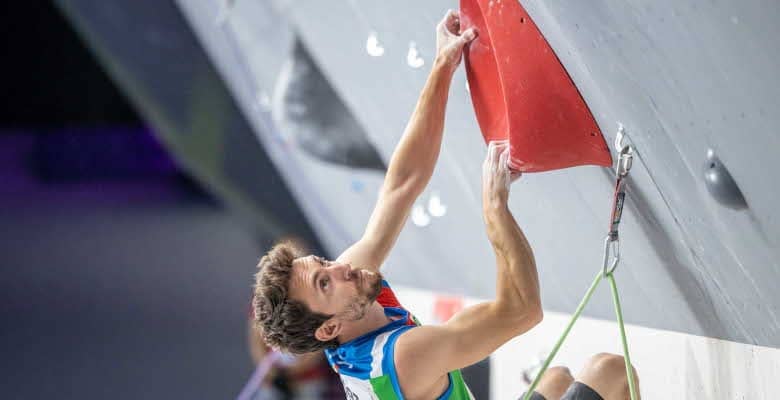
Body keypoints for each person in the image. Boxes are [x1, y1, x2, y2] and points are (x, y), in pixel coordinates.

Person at [252, 9, 640, 400]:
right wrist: (495, 210)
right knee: (610, 371)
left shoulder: (348, 301)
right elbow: (522, 311)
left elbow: (401, 185)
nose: (340, 267)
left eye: (322, 263)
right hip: (425, 359)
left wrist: (442, 66)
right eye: (324, 282)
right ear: (328, 329)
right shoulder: (402, 358)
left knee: (557, 379)